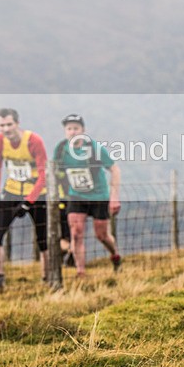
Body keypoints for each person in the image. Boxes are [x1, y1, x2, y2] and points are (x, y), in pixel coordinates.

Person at [0, 108, 50, 292]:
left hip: (37, 194)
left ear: (17, 123)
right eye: (1, 125)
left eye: (9, 124)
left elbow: (43, 175)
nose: (6, 129)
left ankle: (47, 277)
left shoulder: (33, 141)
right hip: (11, 192)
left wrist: (29, 201)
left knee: (43, 238)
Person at [53, 114, 121, 277]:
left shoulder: (94, 149)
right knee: (76, 233)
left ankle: (115, 255)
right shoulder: (61, 149)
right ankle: (80, 271)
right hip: (76, 195)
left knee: (102, 235)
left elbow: (114, 169)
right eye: (69, 129)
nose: (72, 132)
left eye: (76, 128)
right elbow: (56, 172)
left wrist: (114, 196)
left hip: (98, 196)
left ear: (83, 131)